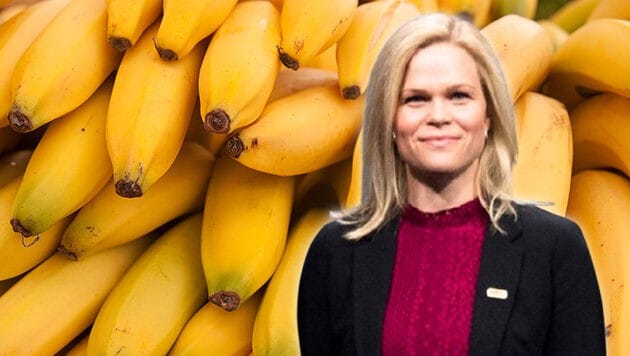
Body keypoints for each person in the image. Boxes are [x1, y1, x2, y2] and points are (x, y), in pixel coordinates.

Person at [297, 12, 605, 356]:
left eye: (459, 96)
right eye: (416, 98)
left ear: (488, 116)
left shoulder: (555, 249)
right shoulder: (335, 252)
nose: (439, 115)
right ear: (389, 120)